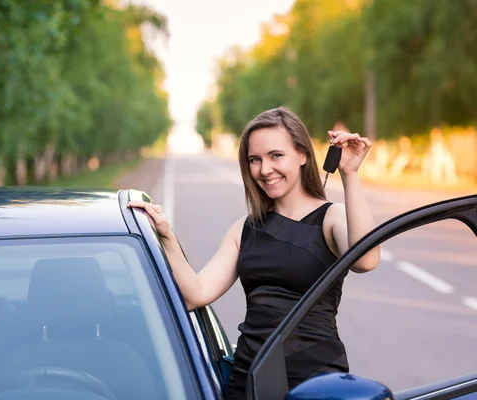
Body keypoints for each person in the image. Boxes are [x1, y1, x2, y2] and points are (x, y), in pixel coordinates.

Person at [128, 106, 381, 398]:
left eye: (276, 155)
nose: (264, 169)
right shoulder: (244, 229)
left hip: (316, 384)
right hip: (251, 380)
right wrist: (167, 236)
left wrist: (350, 175)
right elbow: (196, 293)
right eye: (254, 160)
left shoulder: (331, 218)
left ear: (303, 155)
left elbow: (366, 259)